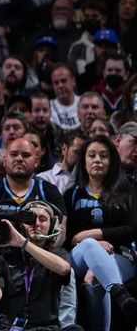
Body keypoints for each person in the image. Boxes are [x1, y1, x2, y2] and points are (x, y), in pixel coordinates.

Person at [63, 135, 137, 329]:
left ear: (112, 162)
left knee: (95, 275)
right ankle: (120, 294)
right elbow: (66, 234)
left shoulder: (127, 191)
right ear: (84, 161)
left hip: (119, 255)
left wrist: (98, 233)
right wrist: (94, 241)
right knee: (89, 245)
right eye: (92, 155)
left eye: (103, 156)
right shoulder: (72, 194)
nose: (97, 160)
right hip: (79, 254)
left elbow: (132, 229)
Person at [0, 200, 77, 331]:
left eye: (42, 219)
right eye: (29, 219)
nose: (36, 223)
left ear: (52, 225)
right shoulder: (4, 257)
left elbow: (64, 269)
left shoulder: (58, 254)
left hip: (46, 328)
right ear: (21, 226)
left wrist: (23, 243)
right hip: (10, 328)